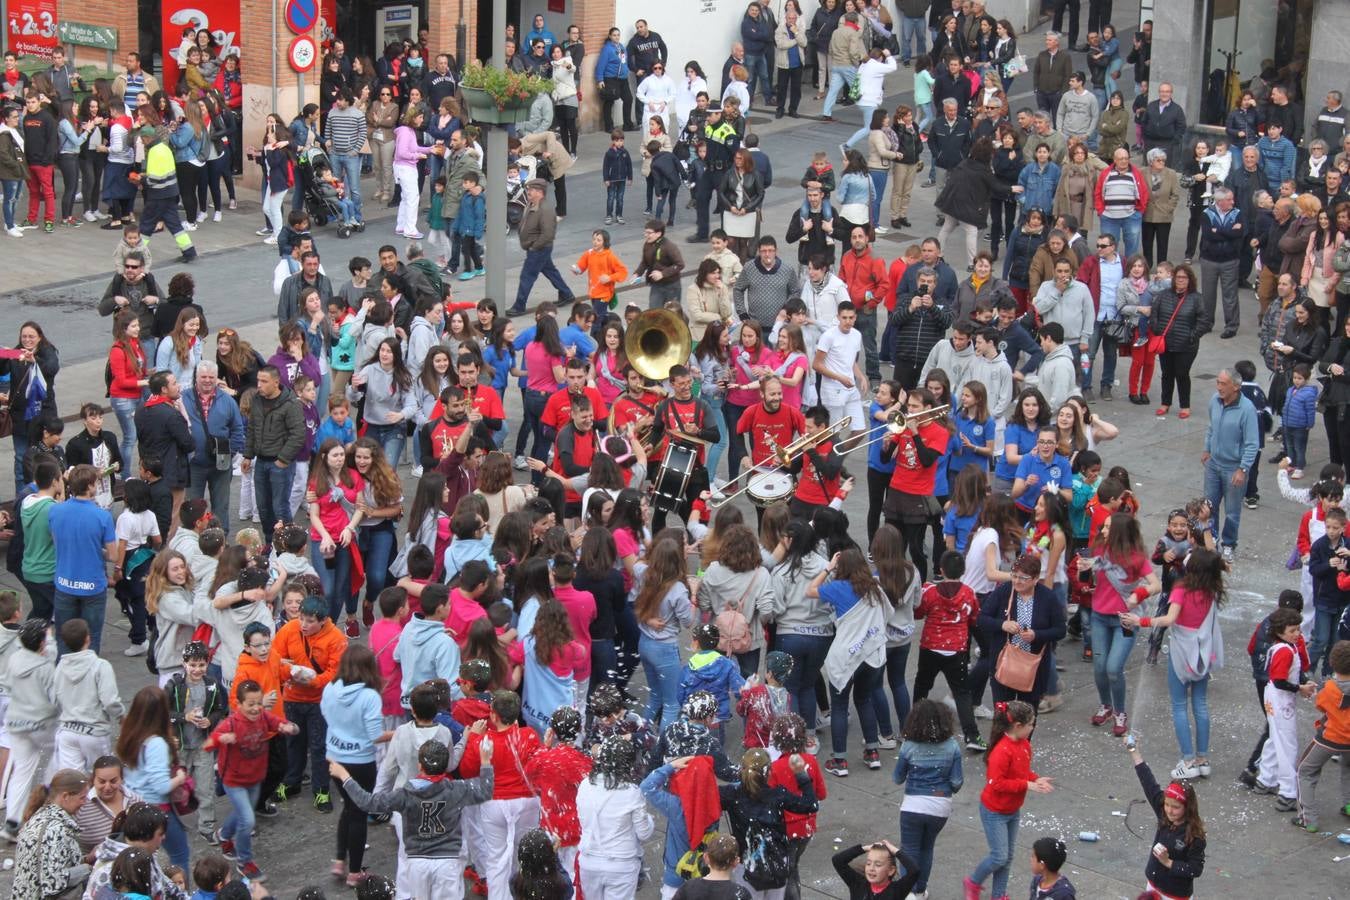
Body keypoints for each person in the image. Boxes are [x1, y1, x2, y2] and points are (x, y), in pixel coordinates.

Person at [964, 700, 1052, 900]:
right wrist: (1027, 785)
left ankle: (999, 895)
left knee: (1007, 857)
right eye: (1031, 724)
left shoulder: (1024, 746)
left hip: (1012, 810)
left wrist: (1035, 778)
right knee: (999, 856)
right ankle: (973, 882)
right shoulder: (1001, 751)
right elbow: (997, 783)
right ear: (1018, 726)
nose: (1032, 728)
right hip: (994, 812)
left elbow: (1022, 772)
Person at [892, 698, 962, 898]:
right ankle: (920, 890)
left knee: (909, 850)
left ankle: (908, 892)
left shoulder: (908, 746)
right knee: (926, 848)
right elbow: (957, 782)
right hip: (940, 806)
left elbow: (897, 778)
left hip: (913, 806)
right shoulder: (952, 747)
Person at [978, 554, 1066, 708]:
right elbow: (982, 619)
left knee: (1027, 715)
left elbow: (1060, 630)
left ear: (1036, 578)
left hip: (1033, 669)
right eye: (1014, 576)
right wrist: (1002, 625)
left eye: (1023, 578)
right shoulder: (1004, 591)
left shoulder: (1048, 597)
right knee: (1003, 715)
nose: (1017, 581)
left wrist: (1037, 635)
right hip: (1004, 664)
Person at [1125, 736, 1207, 899]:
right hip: (1153, 885)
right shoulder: (1164, 813)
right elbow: (1148, 783)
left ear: (1187, 807)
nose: (1169, 811)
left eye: (1176, 807)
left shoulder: (1195, 834)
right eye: (1167, 805)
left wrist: (1168, 862)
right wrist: (1134, 751)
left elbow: (1195, 869)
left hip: (1174, 895)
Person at [48, 465, 117, 653]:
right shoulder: (102, 516)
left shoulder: (55, 511)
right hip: (92, 586)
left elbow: (57, 542)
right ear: (90, 486)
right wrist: (96, 549)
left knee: (63, 638)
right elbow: (113, 555)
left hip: (64, 583)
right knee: (91, 638)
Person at [936, 136, 1020, 273]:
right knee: (971, 231)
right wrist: (1011, 188)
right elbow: (995, 186)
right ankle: (971, 263)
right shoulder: (983, 170)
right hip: (967, 206)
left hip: (952, 201)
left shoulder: (965, 163)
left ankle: (939, 255)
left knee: (947, 228)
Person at [1202, 368, 1260, 563]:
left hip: (1233, 468)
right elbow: (1211, 427)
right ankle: (1212, 542)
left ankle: (1228, 544)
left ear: (1236, 386)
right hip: (1214, 464)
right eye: (1217, 382)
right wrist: (1207, 449)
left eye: (1223, 384)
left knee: (1232, 511)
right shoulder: (1214, 401)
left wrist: (1243, 469)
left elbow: (1253, 443)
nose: (1218, 387)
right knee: (1209, 507)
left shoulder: (1247, 409)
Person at [242, 366, 307, 538]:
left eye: (264, 381)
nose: (259, 385)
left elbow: (299, 434)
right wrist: (248, 455)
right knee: (263, 507)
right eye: (258, 380)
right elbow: (252, 428)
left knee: (280, 507)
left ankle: (287, 544)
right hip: (261, 461)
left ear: (276, 382)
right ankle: (270, 542)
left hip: (280, 464)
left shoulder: (291, 403)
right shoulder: (257, 400)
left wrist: (283, 459)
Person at [10, 768, 90, 900]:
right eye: (82, 797)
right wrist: (87, 869)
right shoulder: (54, 830)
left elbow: (52, 864)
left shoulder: (42, 816)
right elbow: (53, 882)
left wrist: (86, 859)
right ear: (65, 796)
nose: (84, 802)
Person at [511, 180, 577, 316]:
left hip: (539, 249)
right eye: (528, 189)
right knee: (550, 271)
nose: (528, 192)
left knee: (527, 276)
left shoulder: (545, 210)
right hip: (537, 248)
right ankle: (566, 294)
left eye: (531, 190)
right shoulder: (532, 204)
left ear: (540, 192)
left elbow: (548, 234)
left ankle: (519, 306)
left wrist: (534, 247)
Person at [1150, 265, 1208, 419]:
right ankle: (1165, 402)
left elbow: (1204, 321)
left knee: (1182, 374)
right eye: (1178, 277)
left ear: (1190, 280)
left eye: (1184, 277)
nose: (1181, 280)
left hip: (1186, 345)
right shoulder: (1164, 295)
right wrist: (1157, 329)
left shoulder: (1196, 298)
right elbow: (1154, 312)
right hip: (1166, 342)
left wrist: (1192, 336)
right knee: (1166, 374)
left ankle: (1185, 405)